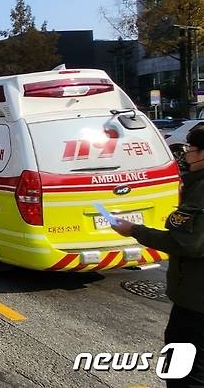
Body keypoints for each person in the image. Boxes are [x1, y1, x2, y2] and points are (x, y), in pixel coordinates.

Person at [112, 127, 204, 387]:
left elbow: (187, 243)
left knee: (185, 370)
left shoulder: (201, 191)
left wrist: (134, 230)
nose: (187, 156)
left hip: (197, 302)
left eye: (191, 150)